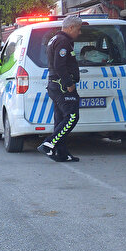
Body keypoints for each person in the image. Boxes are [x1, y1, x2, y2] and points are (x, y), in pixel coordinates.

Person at [38, 15, 85, 162]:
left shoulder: (57, 39)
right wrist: (69, 83)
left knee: (60, 120)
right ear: (70, 27)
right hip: (62, 87)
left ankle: (62, 152)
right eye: (78, 29)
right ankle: (48, 144)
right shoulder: (63, 41)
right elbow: (59, 65)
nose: (80, 33)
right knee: (72, 117)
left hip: (56, 85)